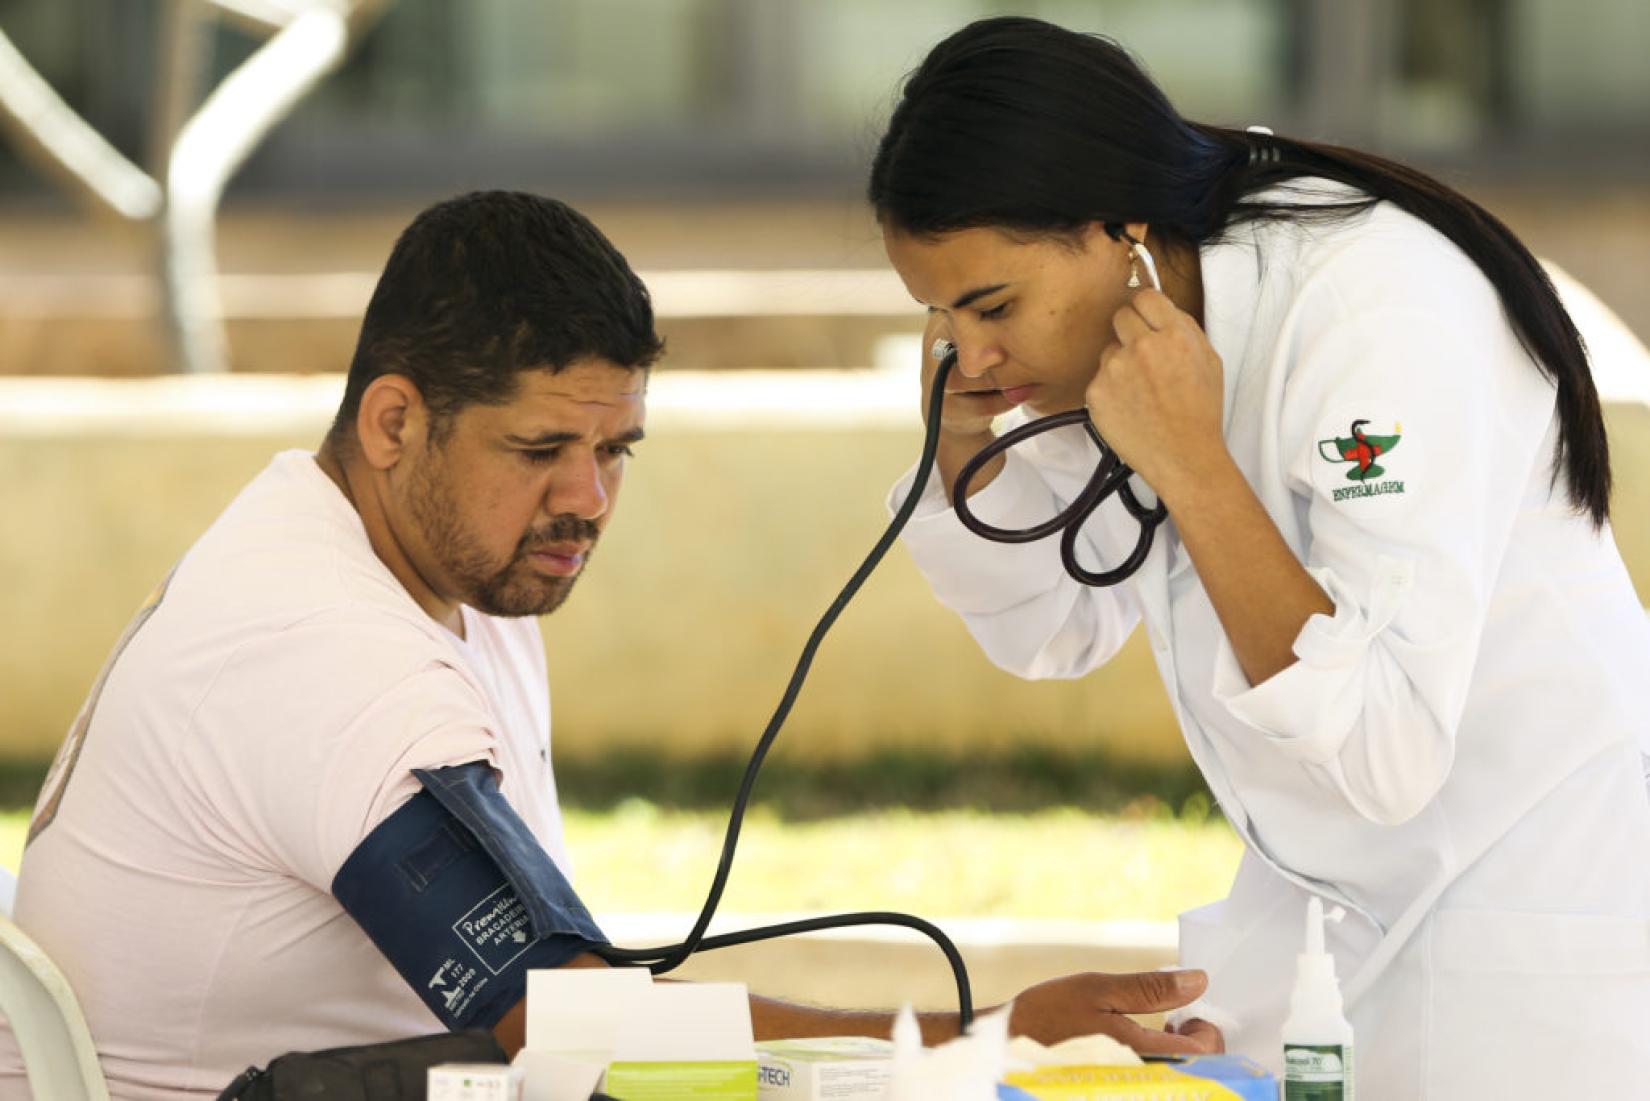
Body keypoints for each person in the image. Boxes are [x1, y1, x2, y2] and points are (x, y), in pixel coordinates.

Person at [0, 190, 1218, 1100]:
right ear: (392, 421)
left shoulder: (392, 547)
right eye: (541, 451)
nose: (587, 497)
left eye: (616, 451)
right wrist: (990, 1038)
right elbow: (566, 1023)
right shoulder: (318, 652)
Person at [869, 16, 1650, 1100]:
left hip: (1526, 921)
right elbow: (1055, 628)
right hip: (1336, 920)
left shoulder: (1374, 310)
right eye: (940, 315)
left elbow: (1386, 744)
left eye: (993, 306)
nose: (976, 354)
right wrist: (961, 449)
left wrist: (1192, 465)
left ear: (1119, 231)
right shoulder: (1124, 330)